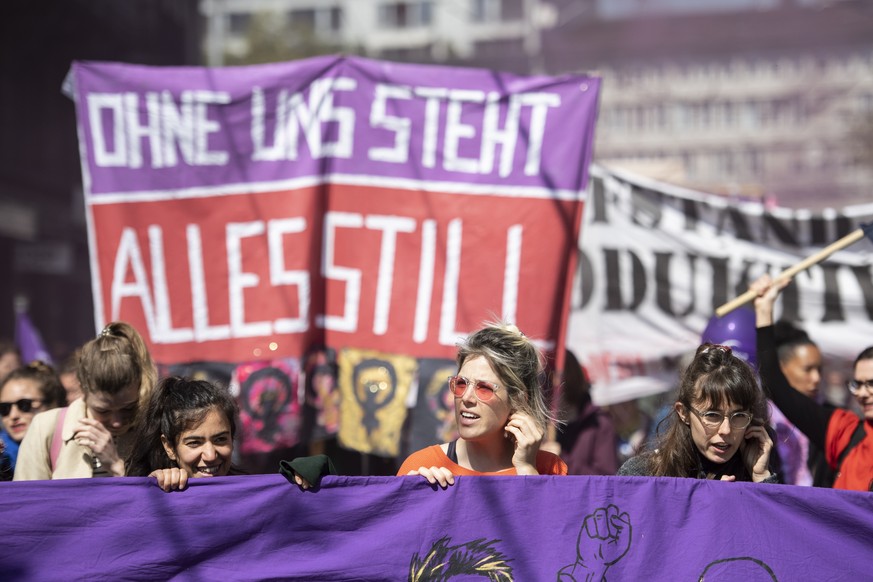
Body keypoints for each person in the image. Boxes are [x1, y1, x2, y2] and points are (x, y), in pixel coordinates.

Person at [397, 322, 567, 487]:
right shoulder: (423, 466)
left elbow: (547, 516)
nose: (466, 397)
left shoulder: (550, 469)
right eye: (461, 384)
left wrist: (527, 470)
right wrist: (414, 497)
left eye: (484, 388)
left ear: (519, 399)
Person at [752, 274, 873, 491]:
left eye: (871, 384)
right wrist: (764, 309)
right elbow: (775, 384)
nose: (863, 393)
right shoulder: (844, 431)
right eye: (858, 384)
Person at [14, 321, 156, 480]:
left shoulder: (151, 431)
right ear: (83, 388)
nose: (116, 422)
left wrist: (117, 467)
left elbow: (157, 502)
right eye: (103, 410)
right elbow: (26, 498)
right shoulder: (46, 427)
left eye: (128, 408)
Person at [617, 343, 776, 483]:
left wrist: (762, 478)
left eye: (739, 416)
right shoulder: (643, 474)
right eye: (712, 415)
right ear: (683, 412)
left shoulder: (759, 471)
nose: (726, 430)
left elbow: (774, 517)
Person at [126, 376, 243, 492]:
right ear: (169, 447)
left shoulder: (249, 494)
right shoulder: (156, 494)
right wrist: (149, 489)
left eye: (220, 439)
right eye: (194, 443)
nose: (211, 455)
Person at [768, 320, 833, 487]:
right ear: (780, 368)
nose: (816, 378)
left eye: (819, 370)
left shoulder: (831, 418)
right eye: (808, 369)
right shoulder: (761, 417)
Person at [555, 349, 618, 475]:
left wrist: (560, 460)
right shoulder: (536, 424)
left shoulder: (599, 424)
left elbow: (606, 479)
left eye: (552, 375)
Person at [0, 361, 66, 478]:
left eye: (24, 404)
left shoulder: (78, 444)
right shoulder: (3, 459)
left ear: (53, 404)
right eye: (5, 408)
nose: (13, 415)